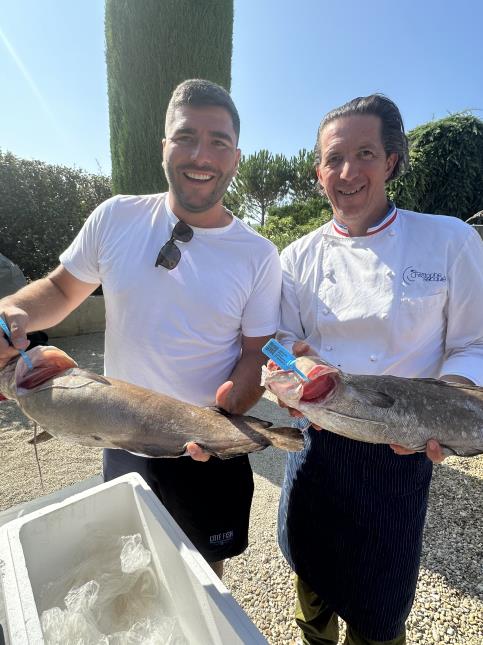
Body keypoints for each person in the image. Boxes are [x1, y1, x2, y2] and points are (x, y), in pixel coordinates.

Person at [0, 79, 282, 579]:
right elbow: (62, 290)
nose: (202, 154)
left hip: (208, 452)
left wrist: (225, 411)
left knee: (203, 579)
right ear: (164, 147)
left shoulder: (258, 255)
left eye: (218, 141)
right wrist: (15, 310)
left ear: (236, 157)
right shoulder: (116, 217)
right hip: (122, 441)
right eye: (185, 136)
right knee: (131, 571)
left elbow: (255, 352)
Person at [276, 94, 483, 644]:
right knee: (310, 570)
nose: (347, 172)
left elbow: (474, 342)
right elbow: (279, 345)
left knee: (382, 602)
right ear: (319, 171)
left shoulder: (450, 241)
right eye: (333, 158)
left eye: (364, 153)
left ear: (391, 160)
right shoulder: (295, 257)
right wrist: (293, 369)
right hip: (317, 442)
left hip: (402, 450)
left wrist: (455, 402)